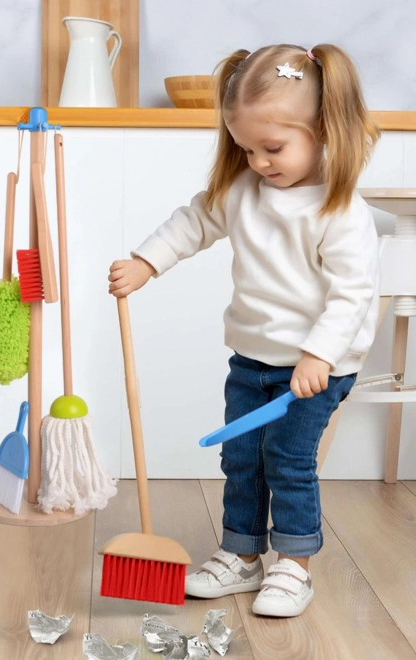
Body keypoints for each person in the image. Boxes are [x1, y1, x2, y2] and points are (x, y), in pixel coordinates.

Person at [108, 43, 380, 617]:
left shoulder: (339, 210)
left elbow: (353, 294)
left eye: (272, 148)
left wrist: (319, 355)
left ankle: (295, 565)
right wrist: (147, 262)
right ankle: (241, 554)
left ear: (324, 130)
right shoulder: (242, 192)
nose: (258, 162)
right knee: (241, 458)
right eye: (246, 148)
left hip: (315, 368)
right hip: (252, 359)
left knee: (288, 460)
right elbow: (194, 221)